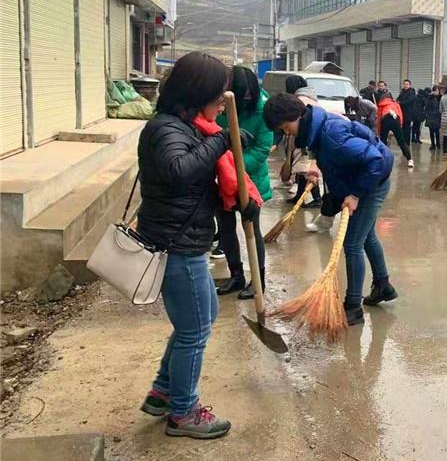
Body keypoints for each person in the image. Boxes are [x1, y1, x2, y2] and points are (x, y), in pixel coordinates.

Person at [137, 51, 252, 439]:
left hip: (182, 238)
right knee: (195, 330)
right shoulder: (167, 129)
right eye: (218, 95)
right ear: (197, 92)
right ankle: (183, 412)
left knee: (198, 319)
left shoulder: (186, 127)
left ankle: (162, 393)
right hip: (176, 244)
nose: (222, 103)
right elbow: (178, 172)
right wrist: (221, 141)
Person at [263, 94, 398, 327]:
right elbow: (336, 157)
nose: (287, 133)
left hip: (372, 181)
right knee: (367, 237)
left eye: (286, 127)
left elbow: (374, 160)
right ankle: (383, 285)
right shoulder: (315, 128)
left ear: (297, 116)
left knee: (352, 243)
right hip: (364, 179)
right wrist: (318, 168)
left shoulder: (330, 134)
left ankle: (352, 307)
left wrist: (355, 194)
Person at [215, 65, 273, 300]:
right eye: (243, 95)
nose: (248, 98)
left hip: (251, 180)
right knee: (226, 228)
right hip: (221, 178)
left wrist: (236, 168)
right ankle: (236, 275)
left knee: (252, 229)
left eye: (251, 94)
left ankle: (258, 280)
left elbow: (261, 149)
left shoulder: (262, 109)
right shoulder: (221, 106)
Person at [283, 74, 321, 207]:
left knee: (305, 169)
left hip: (305, 139)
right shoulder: (309, 96)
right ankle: (300, 196)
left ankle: (317, 199)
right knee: (301, 170)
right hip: (306, 137)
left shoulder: (300, 100)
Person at [376, 89, 413, 167]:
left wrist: (379, 132)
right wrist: (400, 126)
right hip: (396, 119)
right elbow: (400, 115)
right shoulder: (395, 104)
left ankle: (382, 159)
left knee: (383, 141)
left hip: (385, 119)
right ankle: (410, 160)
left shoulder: (381, 104)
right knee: (401, 141)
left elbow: (379, 118)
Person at [397, 79, 418, 145]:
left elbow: (409, 101)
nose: (405, 85)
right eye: (404, 84)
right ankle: (402, 141)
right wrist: (397, 101)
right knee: (402, 127)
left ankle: (407, 141)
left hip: (408, 113)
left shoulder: (412, 92)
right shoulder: (402, 91)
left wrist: (400, 103)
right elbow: (398, 98)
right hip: (401, 112)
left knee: (407, 128)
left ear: (409, 85)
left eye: (407, 84)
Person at [425, 85, 443, 151]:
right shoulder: (429, 97)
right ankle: (432, 144)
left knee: (437, 131)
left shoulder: (441, 97)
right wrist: (429, 96)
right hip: (430, 116)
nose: (436, 92)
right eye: (435, 90)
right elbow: (426, 105)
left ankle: (438, 144)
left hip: (438, 116)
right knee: (431, 131)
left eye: (437, 91)